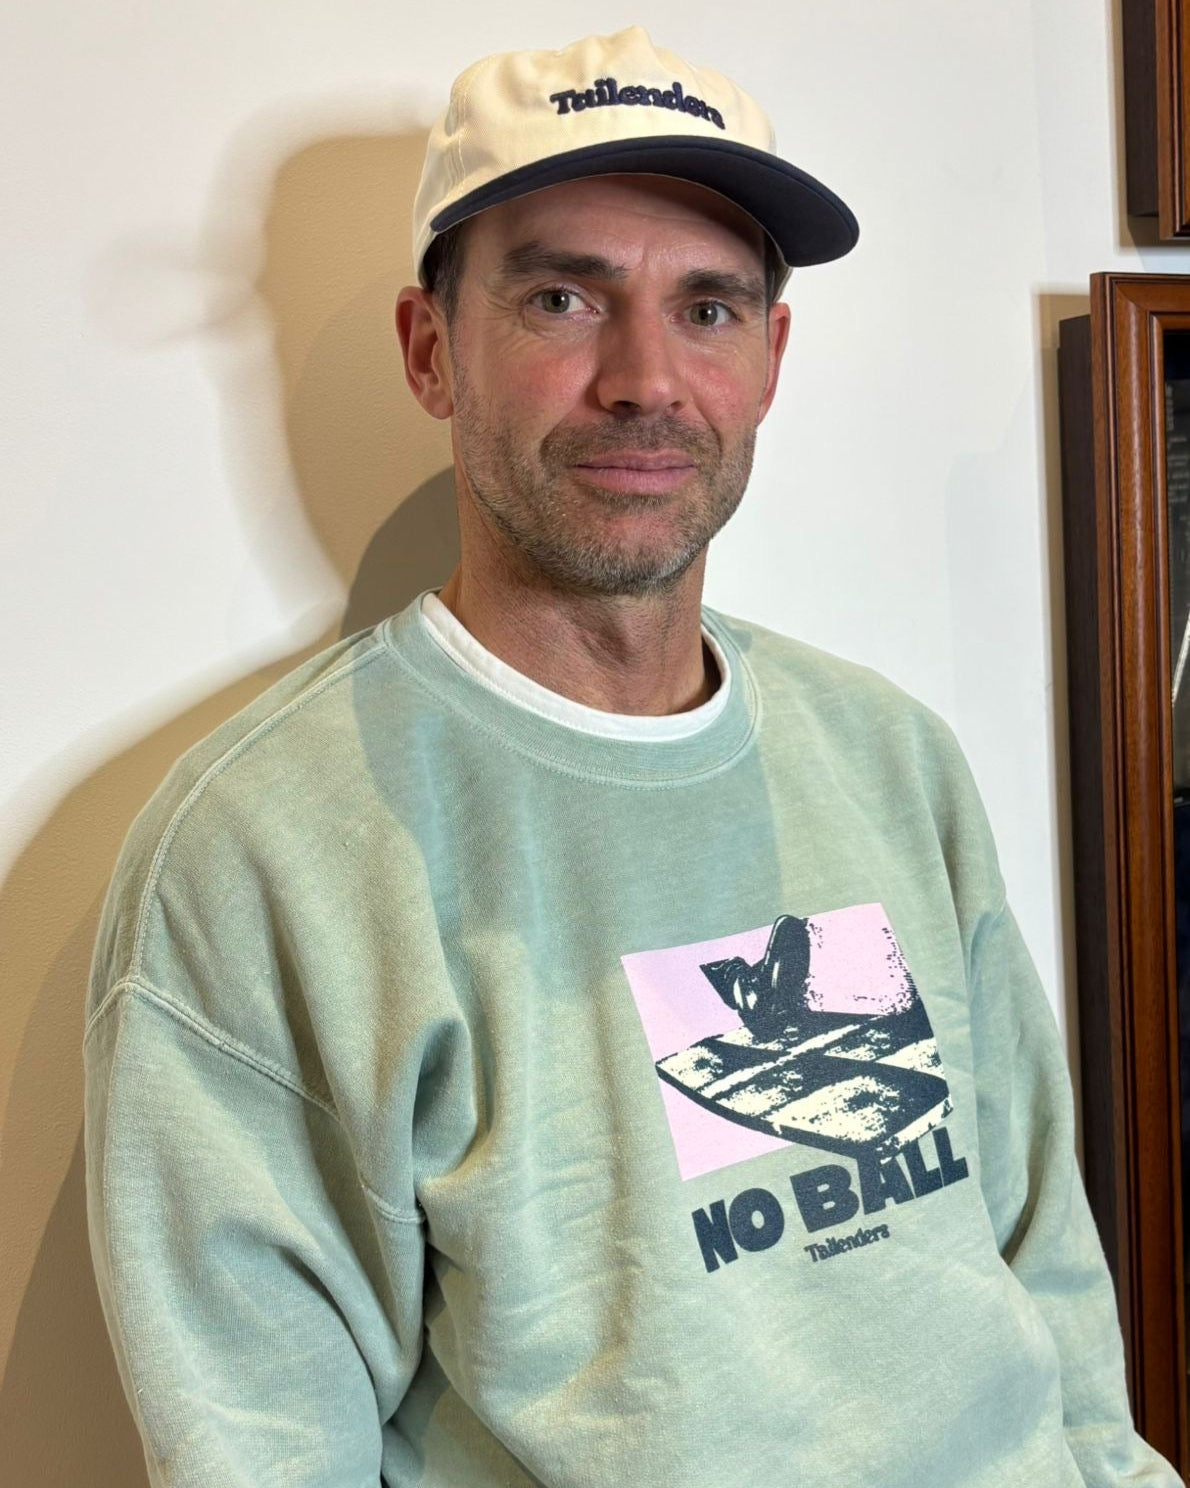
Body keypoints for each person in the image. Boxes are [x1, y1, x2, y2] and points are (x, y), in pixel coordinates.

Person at [83, 25, 1182, 1488]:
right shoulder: (260, 851)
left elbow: (1043, 1267)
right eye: (562, 298)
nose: (645, 379)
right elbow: (262, 1448)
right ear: (431, 352)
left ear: (770, 361)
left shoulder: (887, 754)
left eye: (708, 308)